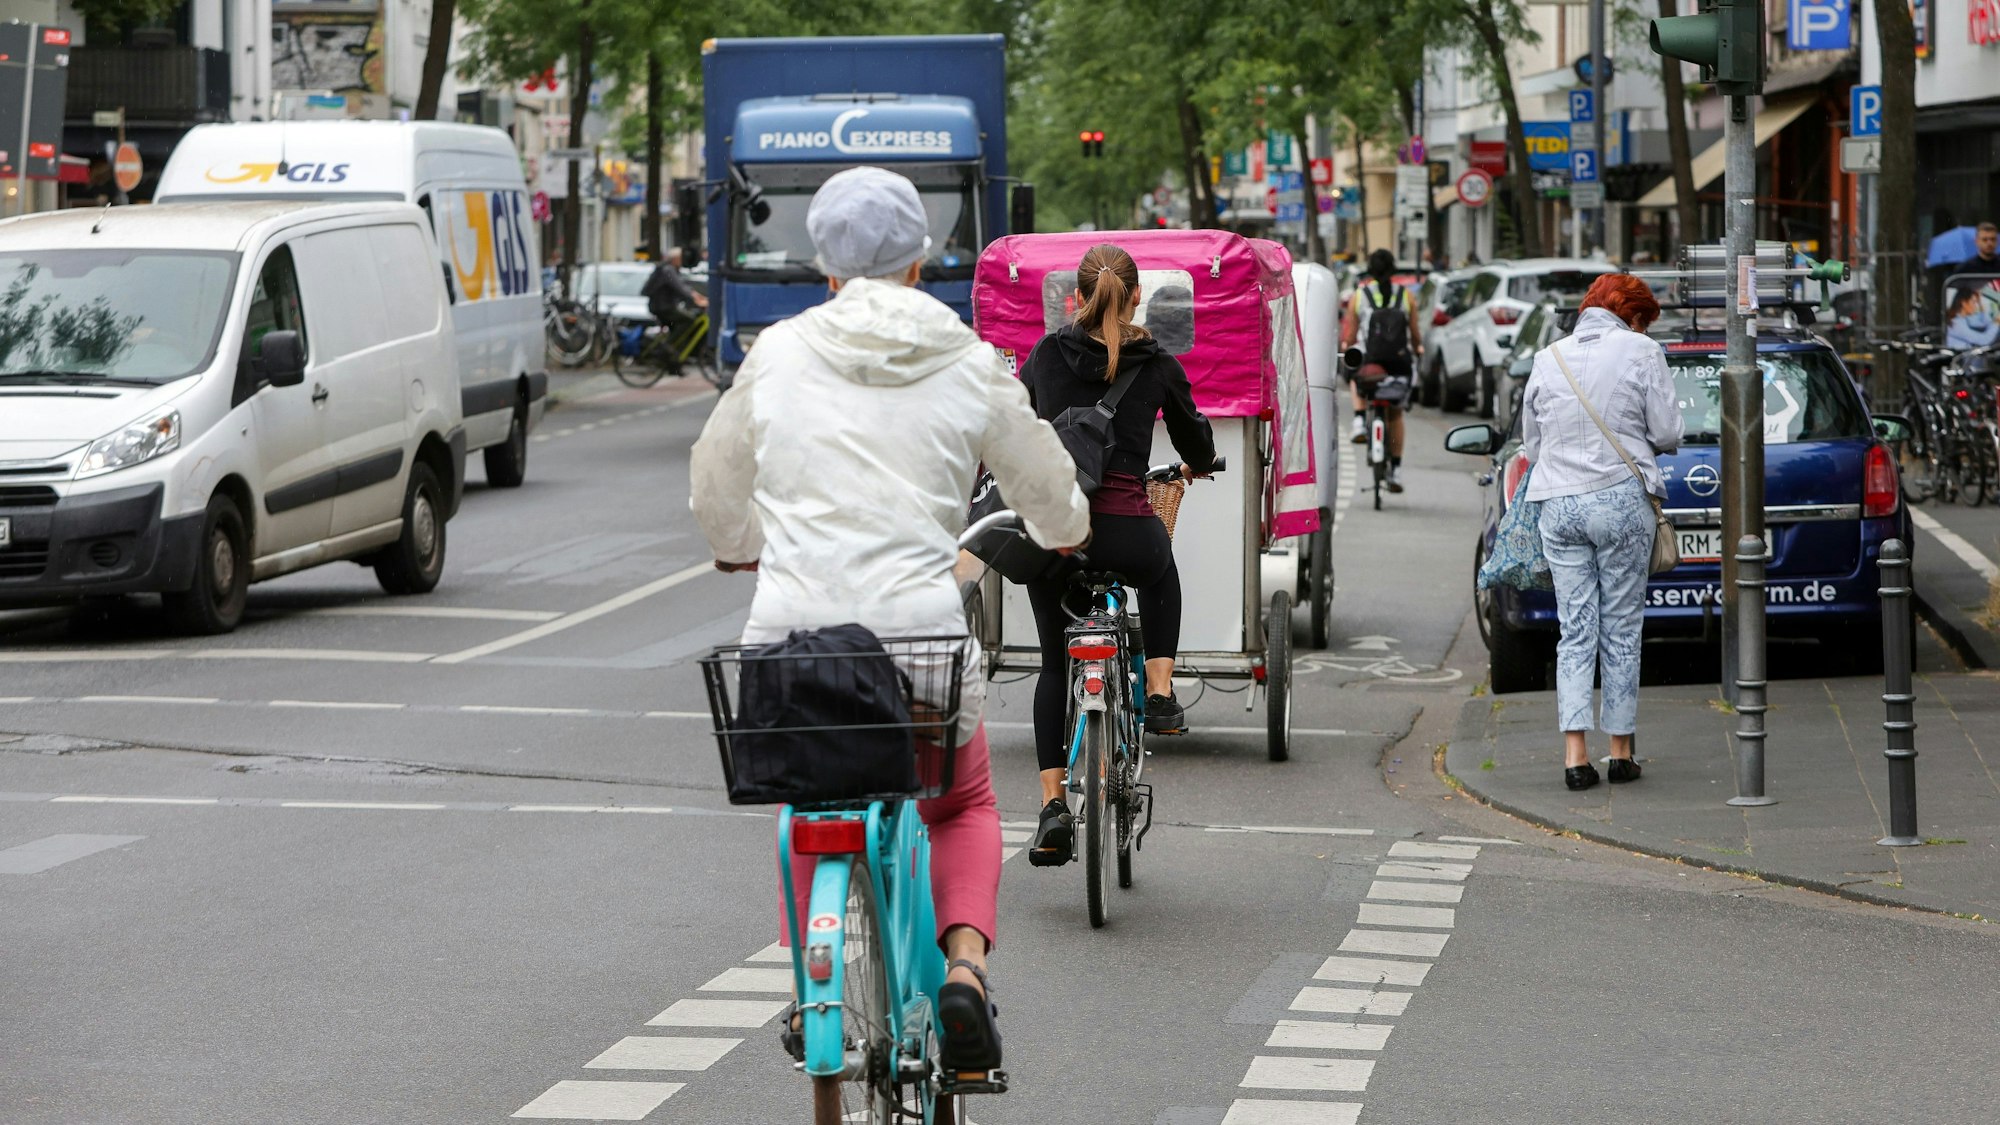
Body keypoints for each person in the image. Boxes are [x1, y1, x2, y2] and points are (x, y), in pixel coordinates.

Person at [689, 166, 1090, 1071]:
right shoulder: (964, 357)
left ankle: (810, 983)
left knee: (807, 803)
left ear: (825, 269)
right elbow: (1044, 481)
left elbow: (715, 477)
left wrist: (742, 541)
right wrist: (1064, 529)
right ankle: (965, 972)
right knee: (962, 800)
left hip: (793, 646)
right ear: (921, 262)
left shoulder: (780, 353)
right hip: (920, 652)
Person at [1016, 243, 1217, 865]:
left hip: (1058, 535)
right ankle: (1159, 694)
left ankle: (1053, 806)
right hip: (1128, 529)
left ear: (1074, 298)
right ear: (1136, 297)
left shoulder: (1047, 355)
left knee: (1055, 663)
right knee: (1161, 573)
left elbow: (1013, 429)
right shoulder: (1155, 361)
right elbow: (1195, 439)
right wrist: (1197, 463)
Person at [1519, 274, 1679, 792]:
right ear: (1632, 316)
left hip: (1558, 503)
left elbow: (1532, 444)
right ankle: (1620, 752)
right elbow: (1668, 432)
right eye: (1642, 321)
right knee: (1621, 625)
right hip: (1618, 499)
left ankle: (1574, 757)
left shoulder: (1549, 356)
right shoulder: (1641, 350)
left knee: (1575, 627)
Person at [1339, 249, 1421, 493]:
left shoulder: (1359, 296)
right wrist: (1418, 348)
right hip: (1398, 363)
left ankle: (1358, 420)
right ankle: (1395, 469)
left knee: (1354, 374)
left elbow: (1351, 336)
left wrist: (1348, 344)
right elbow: (1415, 333)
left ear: (1370, 271)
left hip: (1370, 363)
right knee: (1395, 415)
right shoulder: (1406, 296)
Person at [642, 246, 708, 339]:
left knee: (679, 323)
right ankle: (673, 345)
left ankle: (672, 344)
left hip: (659, 306)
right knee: (689, 321)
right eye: (681, 258)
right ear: (676, 259)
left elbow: (684, 287)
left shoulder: (667, 268)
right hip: (664, 307)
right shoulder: (668, 270)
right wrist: (696, 299)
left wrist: (698, 296)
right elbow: (680, 288)